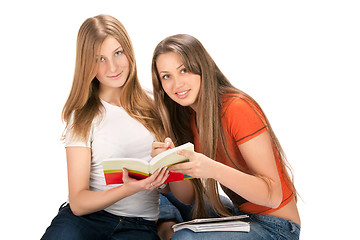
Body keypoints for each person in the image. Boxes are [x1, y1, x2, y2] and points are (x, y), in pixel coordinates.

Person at [151, 34, 301, 239]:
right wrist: (170, 163)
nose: (177, 84)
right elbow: (187, 198)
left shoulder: (237, 107)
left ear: (201, 67)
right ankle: (168, 226)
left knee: (186, 237)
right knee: (155, 194)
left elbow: (273, 197)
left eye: (184, 70)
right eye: (166, 76)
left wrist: (211, 168)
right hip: (241, 217)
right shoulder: (190, 118)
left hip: (276, 227)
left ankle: (172, 232)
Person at [41, 14, 174, 240]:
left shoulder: (156, 108)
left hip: (138, 225)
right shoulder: (83, 115)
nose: (112, 67)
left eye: (117, 53)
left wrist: (167, 166)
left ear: (129, 51)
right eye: (99, 59)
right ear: (87, 64)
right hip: (86, 220)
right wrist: (129, 189)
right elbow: (79, 203)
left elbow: (171, 190)